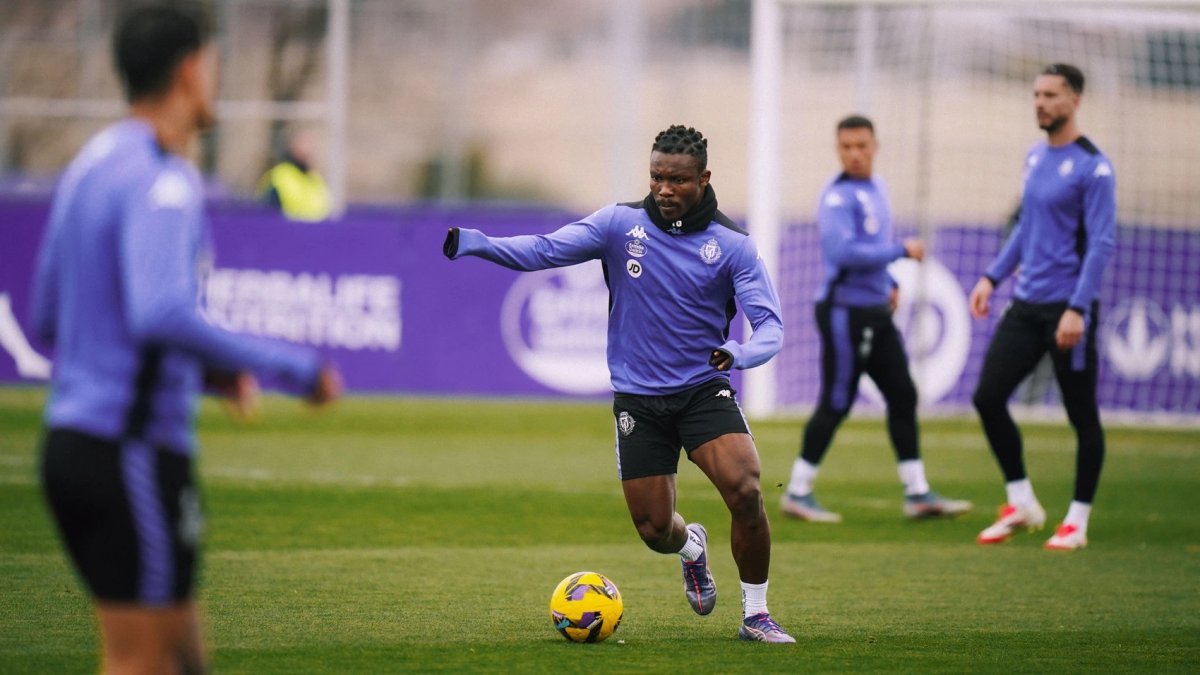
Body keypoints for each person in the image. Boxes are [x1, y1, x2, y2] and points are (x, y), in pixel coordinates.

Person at [31, 6, 342, 674]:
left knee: (183, 658)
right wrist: (296, 369)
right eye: (214, 61)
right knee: (140, 662)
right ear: (190, 68)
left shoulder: (92, 163)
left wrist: (203, 372)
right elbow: (162, 312)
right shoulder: (164, 179)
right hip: (131, 451)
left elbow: (50, 312)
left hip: (74, 443)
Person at [444, 125, 794, 643]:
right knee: (656, 530)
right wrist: (477, 244)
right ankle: (691, 548)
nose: (664, 189)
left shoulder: (732, 246)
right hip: (639, 399)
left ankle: (756, 614)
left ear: (703, 179)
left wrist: (739, 353)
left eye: (677, 180)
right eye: (656, 177)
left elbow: (772, 327)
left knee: (745, 490)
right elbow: (543, 250)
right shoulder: (618, 225)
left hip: (702, 388)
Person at [781, 115, 972, 523]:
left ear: (874, 147)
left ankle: (918, 492)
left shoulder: (878, 188)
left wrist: (887, 280)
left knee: (902, 393)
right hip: (843, 312)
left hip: (875, 311)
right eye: (846, 146)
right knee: (837, 401)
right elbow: (844, 253)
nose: (854, 153)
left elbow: (871, 246)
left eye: (861, 146)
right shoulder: (836, 198)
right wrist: (900, 253)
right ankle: (797, 490)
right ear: (838, 149)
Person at [969, 63, 1116, 551]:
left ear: (1074, 99)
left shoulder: (1095, 166)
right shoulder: (1035, 158)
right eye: (1036, 94)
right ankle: (1022, 501)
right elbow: (1027, 231)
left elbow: (1101, 243)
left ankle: (1077, 519)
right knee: (988, 397)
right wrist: (992, 276)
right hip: (1026, 304)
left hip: (1067, 311)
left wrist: (1078, 308)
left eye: (1051, 95)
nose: (1040, 102)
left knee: (1081, 415)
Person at [257, 128, 331, 221]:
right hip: (287, 232)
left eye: (311, 144)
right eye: (304, 144)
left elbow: (324, 209)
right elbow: (269, 211)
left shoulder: (315, 178)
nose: (309, 149)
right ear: (292, 147)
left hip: (315, 232)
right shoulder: (280, 175)